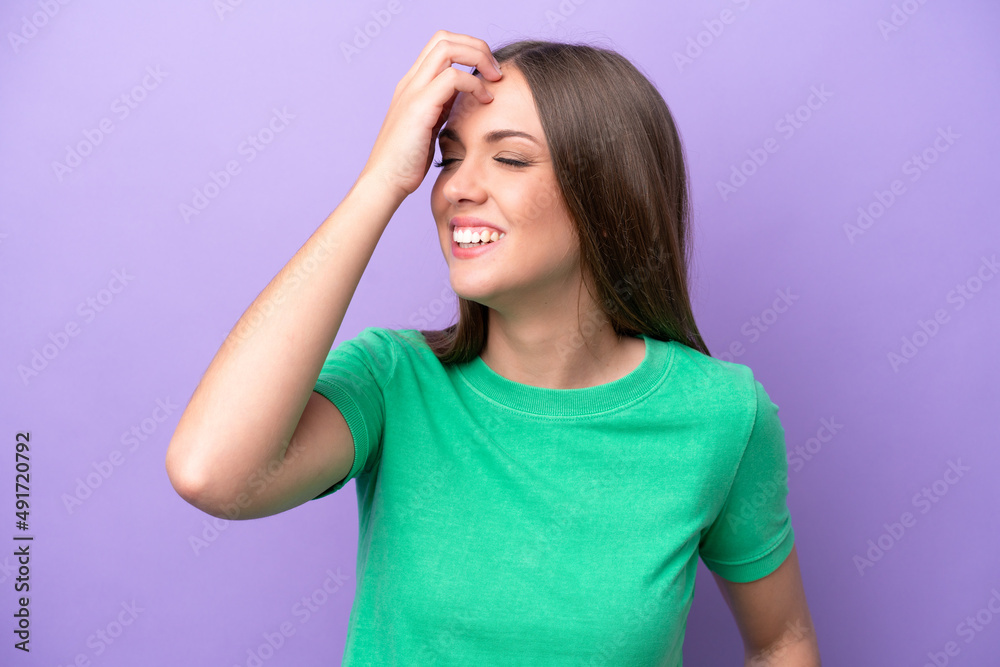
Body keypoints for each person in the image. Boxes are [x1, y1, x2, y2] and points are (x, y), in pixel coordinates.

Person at [165, 30, 821, 665]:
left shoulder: (722, 414)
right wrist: (380, 183)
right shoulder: (393, 383)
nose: (454, 188)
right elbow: (210, 472)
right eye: (449, 157)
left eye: (508, 158)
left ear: (608, 191)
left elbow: (781, 638)